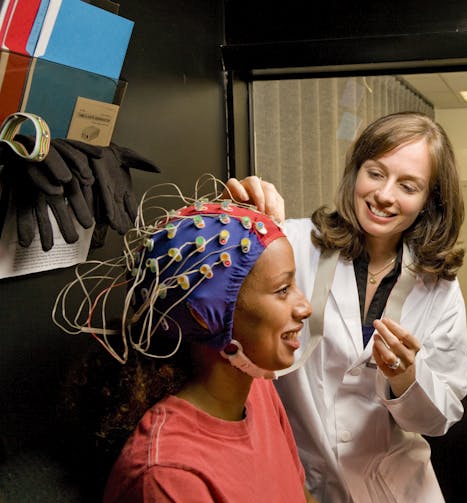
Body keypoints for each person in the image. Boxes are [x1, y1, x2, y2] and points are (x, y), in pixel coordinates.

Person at [226, 111, 467, 502]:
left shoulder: (438, 287)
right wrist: (236, 218)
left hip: (396, 487)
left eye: (408, 186)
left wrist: (406, 376)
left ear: (429, 200)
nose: (385, 195)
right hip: (298, 478)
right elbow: (223, 296)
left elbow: (438, 419)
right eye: (375, 173)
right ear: (355, 172)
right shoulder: (293, 243)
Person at [54, 179, 317, 502]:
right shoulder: (167, 477)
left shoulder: (255, 389)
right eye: (283, 290)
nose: (305, 307)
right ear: (204, 317)